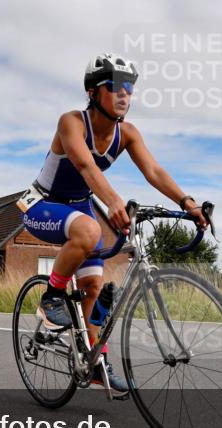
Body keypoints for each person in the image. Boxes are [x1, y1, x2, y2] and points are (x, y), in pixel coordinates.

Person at [19, 53, 207, 396]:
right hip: (42, 204)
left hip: (78, 207)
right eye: (115, 87)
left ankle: (96, 363)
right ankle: (51, 299)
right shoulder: (71, 122)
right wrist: (114, 201)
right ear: (93, 92)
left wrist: (187, 202)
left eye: (130, 89)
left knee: (93, 287)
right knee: (90, 231)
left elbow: (155, 171)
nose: (125, 95)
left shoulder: (128, 134)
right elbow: (85, 165)